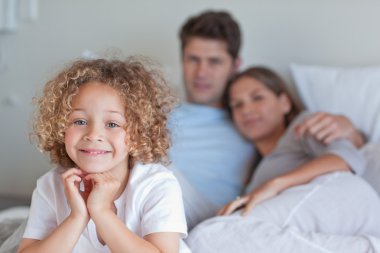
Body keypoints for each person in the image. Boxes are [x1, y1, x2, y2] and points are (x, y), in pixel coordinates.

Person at [169, 10, 366, 230]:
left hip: (200, 212)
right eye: (193, 59)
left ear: (235, 65)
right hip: (154, 199)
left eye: (214, 62)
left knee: (154, 168)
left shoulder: (256, 123)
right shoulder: (160, 112)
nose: (202, 73)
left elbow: (349, 153)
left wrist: (349, 130)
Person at [185, 67, 380, 252]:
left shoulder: (302, 126)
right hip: (326, 224)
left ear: (285, 103)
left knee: (207, 237)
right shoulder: (257, 169)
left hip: (343, 195)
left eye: (257, 97)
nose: (246, 109)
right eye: (237, 105)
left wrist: (276, 184)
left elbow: (347, 158)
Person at [18, 58, 190, 253]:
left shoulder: (157, 184)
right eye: (80, 121)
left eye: (112, 124)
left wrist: (101, 212)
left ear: (138, 133)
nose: (93, 135)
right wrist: (77, 217)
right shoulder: (51, 185)